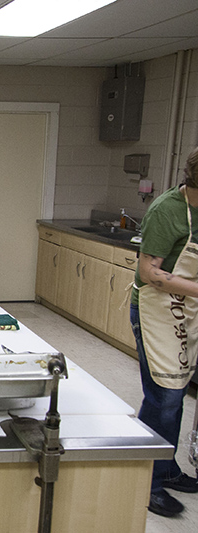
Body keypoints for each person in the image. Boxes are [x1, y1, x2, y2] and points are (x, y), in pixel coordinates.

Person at [131, 144, 198, 518]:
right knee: (164, 397)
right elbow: (150, 273)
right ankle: (148, 482)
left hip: (186, 309)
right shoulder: (168, 211)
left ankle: (166, 467)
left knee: (178, 392)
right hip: (155, 309)